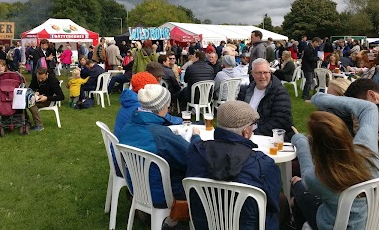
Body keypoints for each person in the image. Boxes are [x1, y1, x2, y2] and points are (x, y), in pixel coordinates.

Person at [290, 93, 379, 230]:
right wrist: (320, 98)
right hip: (375, 222)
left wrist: (298, 139)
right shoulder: (366, 148)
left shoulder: (316, 178)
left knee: (297, 186)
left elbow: (306, 165)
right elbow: (369, 108)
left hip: (333, 226)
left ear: (315, 147)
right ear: (344, 133)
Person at [187, 101, 282, 230]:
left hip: (205, 224)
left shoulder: (196, 152)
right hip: (250, 226)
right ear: (245, 132)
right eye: (252, 125)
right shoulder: (262, 164)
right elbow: (273, 204)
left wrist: (196, 137)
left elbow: (196, 145)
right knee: (283, 203)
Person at [119, 84, 190, 224]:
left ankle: (147, 213)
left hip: (137, 185)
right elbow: (190, 157)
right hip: (161, 192)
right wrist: (195, 138)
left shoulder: (131, 123)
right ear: (164, 106)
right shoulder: (160, 135)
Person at [344, 78, 379, 175]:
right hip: (370, 169)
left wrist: (358, 116)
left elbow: (373, 149)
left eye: (360, 106)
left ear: (372, 95)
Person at [238, 58, 294, 140]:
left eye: (265, 72)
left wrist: (254, 134)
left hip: (269, 138)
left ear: (270, 73)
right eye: (258, 73)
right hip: (245, 135)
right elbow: (238, 114)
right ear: (252, 74)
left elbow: (281, 120)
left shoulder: (279, 92)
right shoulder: (245, 90)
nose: (262, 76)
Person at [28, 66, 65, 131]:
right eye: (39, 78)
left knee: (31, 105)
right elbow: (30, 88)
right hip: (37, 98)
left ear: (46, 74)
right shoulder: (35, 78)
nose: (40, 80)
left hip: (49, 100)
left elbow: (61, 96)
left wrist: (47, 98)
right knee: (24, 102)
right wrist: (35, 92)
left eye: (42, 79)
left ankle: (39, 125)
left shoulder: (53, 81)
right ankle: (26, 122)